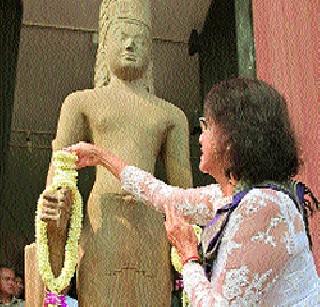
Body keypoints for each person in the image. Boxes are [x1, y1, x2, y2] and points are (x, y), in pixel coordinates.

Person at [42, 77, 320, 305]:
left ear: (232, 140)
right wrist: (101, 157)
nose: (200, 137)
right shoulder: (230, 196)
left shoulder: (263, 206)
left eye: (207, 127)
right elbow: (163, 195)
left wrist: (188, 255)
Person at [38, 0, 192, 305]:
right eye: (121, 34)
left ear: (151, 48)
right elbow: (61, 174)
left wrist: (186, 244)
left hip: (150, 226)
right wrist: (56, 205)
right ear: (104, 42)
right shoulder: (81, 103)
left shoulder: (170, 115)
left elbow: (182, 193)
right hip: (102, 223)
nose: (130, 43)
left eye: (140, 38)